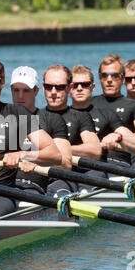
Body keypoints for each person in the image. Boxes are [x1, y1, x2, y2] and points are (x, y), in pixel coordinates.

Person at [0, 54, 62, 217]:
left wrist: (23, 155)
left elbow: (55, 154)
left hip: (0, 193)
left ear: (1, 83)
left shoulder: (17, 113)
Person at [9, 66, 72, 195]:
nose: (20, 96)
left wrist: (35, 161)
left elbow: (66, 163)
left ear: (36, 90)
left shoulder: (52, 119)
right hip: (4, 185)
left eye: (26, 90)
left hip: (34, 188)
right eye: (16, 90)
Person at [40, 64, 101, 195]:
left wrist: (61, 150)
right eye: (48, 87)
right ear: (42, 87)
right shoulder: (33, 117)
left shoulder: (80, 116)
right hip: (40, 177)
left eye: (60, 87)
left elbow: (95, 150)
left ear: (69, 88)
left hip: (70, 178)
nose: (54, 92)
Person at [70, 64, 135, 162]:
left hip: (99, 169)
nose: (79, 88)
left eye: (85, 85)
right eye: (75, 85)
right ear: (68, 88)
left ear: (93, 87)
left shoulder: (107, 114)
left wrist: (119, 137)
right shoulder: (58, 116)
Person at [92, 53, 135, 168]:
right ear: (100, 78)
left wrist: (118, 137)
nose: (109, 80)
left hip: (119, 161)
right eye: (104, 75)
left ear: (123, 79)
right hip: (93, 159)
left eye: (114, 76)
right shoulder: (89, 103)